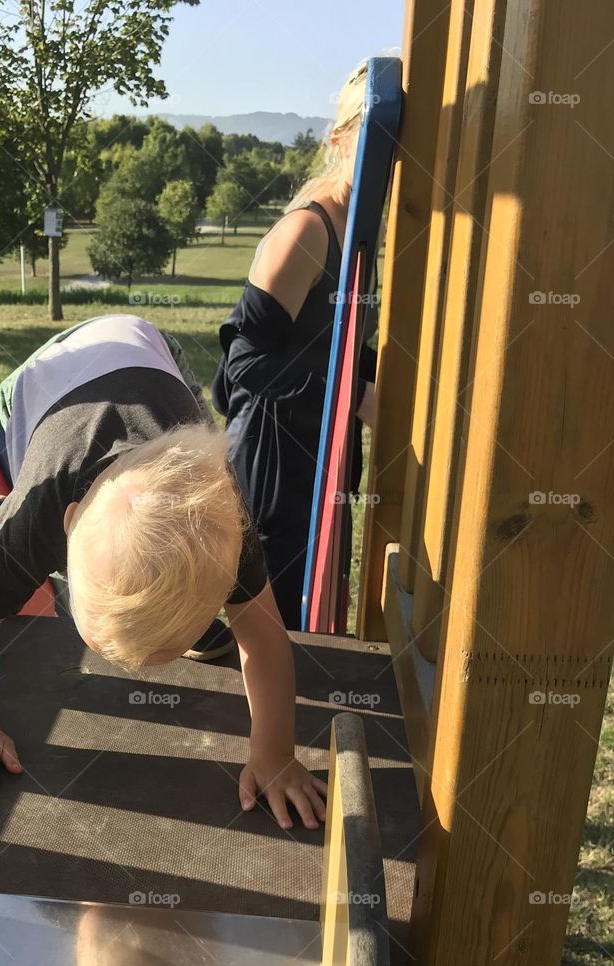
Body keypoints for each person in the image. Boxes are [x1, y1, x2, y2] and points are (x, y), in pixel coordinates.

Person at [0, 313, 327, 830]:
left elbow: (264, 638)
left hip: (152, 352)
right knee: (9, 559)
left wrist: (276, 753)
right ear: (68, 524)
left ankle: (165, 600)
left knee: (165, 557)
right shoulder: (48, 500)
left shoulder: (222, 522)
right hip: (45, 379)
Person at [212, 60, 379, 629]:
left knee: (315, 626)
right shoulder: (307, 232)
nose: (391, 156)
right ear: (341, 137)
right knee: (272, 636)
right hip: (273, 467)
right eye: (376, 135)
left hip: (325, 464)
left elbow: (337, 343)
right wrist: (354, 394)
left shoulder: (364, 235)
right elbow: (245, 363)